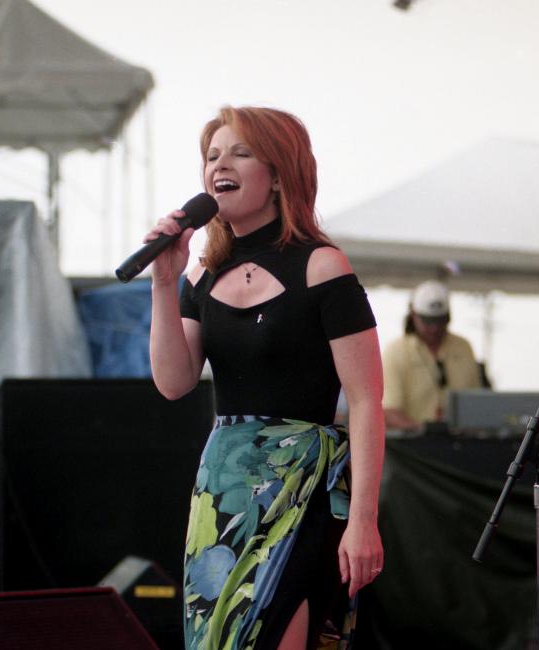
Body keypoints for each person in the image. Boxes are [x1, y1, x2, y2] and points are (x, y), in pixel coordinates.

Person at [146, 106, 384, 650]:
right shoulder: (201, 273)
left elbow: (367, 400)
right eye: (211, 156)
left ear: (279, 175)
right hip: (225, 490)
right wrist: (163, 282)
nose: (218, 165)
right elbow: (173, 381)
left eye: (239, 152)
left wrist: (364, 520)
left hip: (302, 486)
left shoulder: (322, 266)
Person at [381, 280, 483, 432]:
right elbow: (388, 412)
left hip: (460, 443)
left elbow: (478, 404)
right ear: (413, 316)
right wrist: (424, 431)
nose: (434, 328)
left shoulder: (463, 347)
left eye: (440, 320)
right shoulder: (395, 351)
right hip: (411, 448)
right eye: (428, 321)